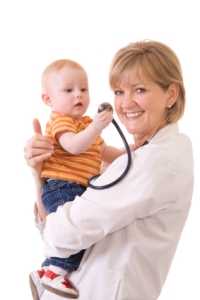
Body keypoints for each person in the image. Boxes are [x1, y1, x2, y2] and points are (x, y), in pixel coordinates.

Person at [25, 40, 194, 300]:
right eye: (118, 92)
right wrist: (42, 171)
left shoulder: (155, 163)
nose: (126, 104)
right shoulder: (137, 155)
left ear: (171, 95)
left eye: (139, 90)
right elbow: (57, 230)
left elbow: (58, 236)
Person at [29, 59, 125, 299]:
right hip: (61, 187)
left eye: (83, 89)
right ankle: (54, 271)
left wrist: (133, 150)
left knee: (76, 235)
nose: (78, 95)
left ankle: (44, 272)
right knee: (75, 235)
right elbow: (73, 146)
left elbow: (105, 152)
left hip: (76, 188)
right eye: (68, 90)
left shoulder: (84, 125)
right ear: (48, 100)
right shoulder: (62, 121)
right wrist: (95, 127)